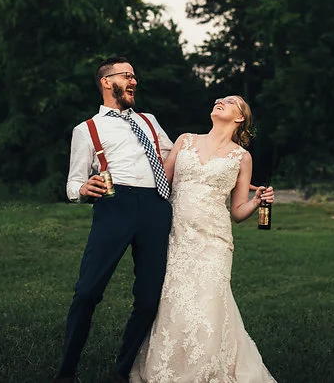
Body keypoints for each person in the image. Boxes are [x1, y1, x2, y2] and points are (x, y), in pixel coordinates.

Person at [130, 95, 276, 382]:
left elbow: (237, 210)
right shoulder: (185, 140)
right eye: (219, 98)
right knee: (174, 301)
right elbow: (162, 183)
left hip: (215, 239)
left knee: (209, 301)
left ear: (240, 118)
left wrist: (257, 200)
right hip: (177, 235)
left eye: (230, 101)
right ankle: (168, 369)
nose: (220, 100)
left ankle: (207, 369)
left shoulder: (241, 157)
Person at [54, 57, 174, 383]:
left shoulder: (149, 121)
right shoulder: (87, 129)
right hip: (114, 205)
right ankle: (66, 373)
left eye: (135, 75)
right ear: (107, 82)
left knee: (150, 299)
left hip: (156, 207)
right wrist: (83, 188)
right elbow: (71, 183)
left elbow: (178, 158)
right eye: (127, 76)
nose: (134, 81)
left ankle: (123, 371)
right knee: (88, 292)